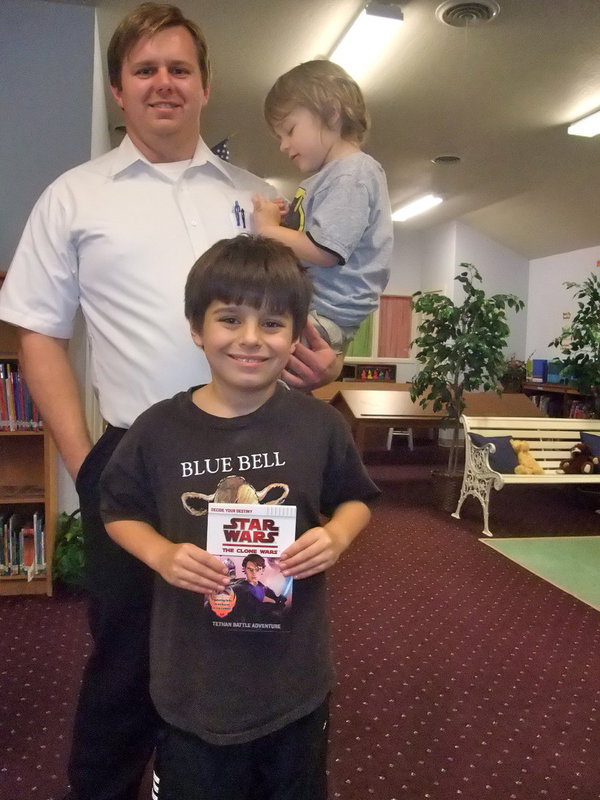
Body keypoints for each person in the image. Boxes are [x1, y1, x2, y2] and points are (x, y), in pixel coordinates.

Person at [0, 4, 337, 799]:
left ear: (205, 85)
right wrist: (87, 463)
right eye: (144, 69)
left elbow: (297, 328)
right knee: (128, 656)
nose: (163, 83)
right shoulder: (74, 197)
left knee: (252, 641)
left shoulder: (262, 200)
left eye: (179, 69)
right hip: (137, 460)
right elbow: (38, 333)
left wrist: (323, 364)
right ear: (118, 90)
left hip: (258, 459)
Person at [100, 234, 380, 800]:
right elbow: (117, 510)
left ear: (295, 336)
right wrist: (161, 553)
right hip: (192, 681)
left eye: (272, 324)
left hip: (294, 679)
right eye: (230, 319)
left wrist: (336, 535)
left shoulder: (319, 426)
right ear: (197, 328)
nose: (251, 338)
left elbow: (357, 498)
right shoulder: (157, 429)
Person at [252, 59, 394, 372]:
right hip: (314, 310)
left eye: (289, 130)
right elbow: (311, 240)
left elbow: (325, 251)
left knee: (255, 367)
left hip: (325, 314)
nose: (283, 146)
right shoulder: (329, 177)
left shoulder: (353, 172)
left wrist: (269, 230)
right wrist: (285, 222)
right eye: (280, 137)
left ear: (331, 113)